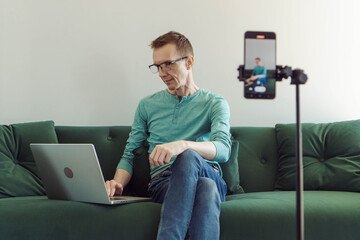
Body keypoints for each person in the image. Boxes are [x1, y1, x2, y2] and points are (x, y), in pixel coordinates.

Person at [105, 31, 231, 240]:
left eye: (168, 64)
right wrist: (116, 183)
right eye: (157, 67)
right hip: (165, 183)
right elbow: (129, 154)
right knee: (205, 189)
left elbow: (223, 150)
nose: (162, 72)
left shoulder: (215, 103)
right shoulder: (147, 105)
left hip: (209, 173)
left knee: (190, 158)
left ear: (189, 62)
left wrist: (182, 145)